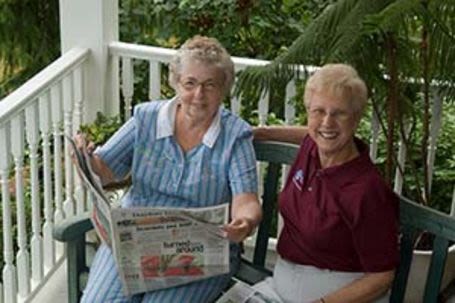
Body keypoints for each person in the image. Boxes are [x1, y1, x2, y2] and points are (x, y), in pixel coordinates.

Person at [76, 35, 262, 303]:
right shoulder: (145, 118)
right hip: (133, 242)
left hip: (199, 250)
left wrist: (244, 222)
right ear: (175, 82)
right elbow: (104, 169)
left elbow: (247, 201)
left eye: (210, 85)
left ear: (224, 89)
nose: (199, 95)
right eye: (190, 83)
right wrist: (85, 158)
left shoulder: (235, 136)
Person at [253, 63, 399, 303]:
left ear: (356, 118)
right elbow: (313, 132)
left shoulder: (366, 190)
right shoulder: (313, 146)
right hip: (279, 289)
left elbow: (382, 276)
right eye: (318, 111)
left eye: (339, 113)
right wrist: (263, 133)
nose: (327, 123)